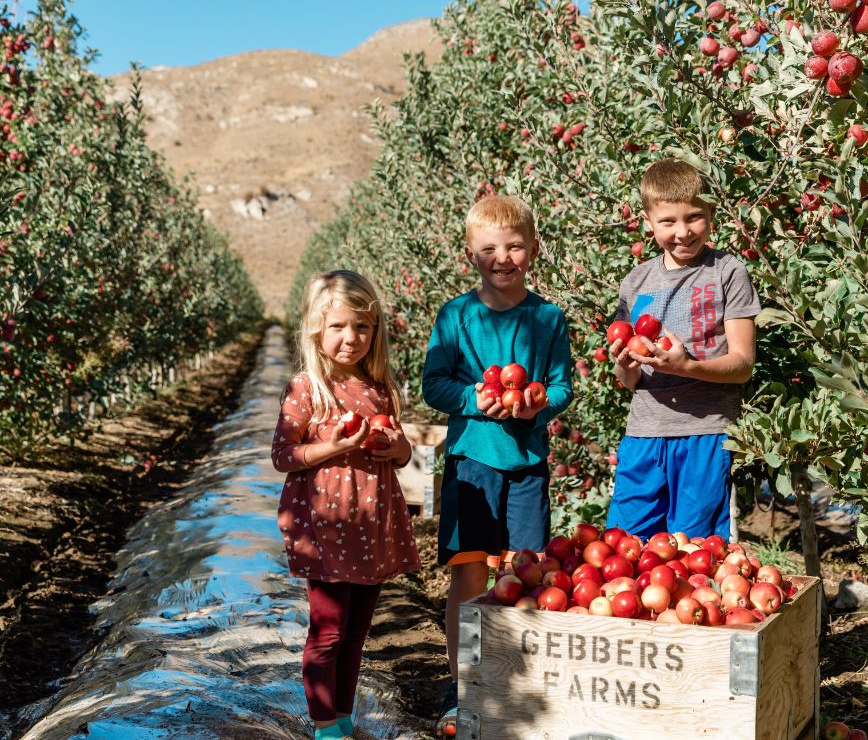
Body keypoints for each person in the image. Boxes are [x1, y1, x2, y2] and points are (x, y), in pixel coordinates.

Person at [421, 194, 573, 735]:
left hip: (527, 463)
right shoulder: (456, 315)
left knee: (524, 569)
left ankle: (516, 679)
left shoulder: (548, 317)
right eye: (489, 248)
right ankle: (464, 680)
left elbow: (562, 386)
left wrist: (538, 403)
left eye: (514, 246)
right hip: (470, 463)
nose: (502, 257)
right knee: (468, 573)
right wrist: (472, 401)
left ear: (533, 249)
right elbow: (433, 384)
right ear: (471, 254)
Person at [272, 269, 421, 740]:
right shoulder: (307, 389)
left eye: (361, 327)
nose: (350, 338)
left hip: (371, 524)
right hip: (326, 526)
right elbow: (283, 456)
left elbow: (402, 457)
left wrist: (396, 448)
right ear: (317, 329)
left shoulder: (378, 387)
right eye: (338, 327)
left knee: (357, 632)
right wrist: (332, 447)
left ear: (374, 331)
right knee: (329, 630)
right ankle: (324, 726)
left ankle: (342, 715)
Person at [607, 159, 761, 543]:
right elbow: (628, 381)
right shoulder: (636, 281)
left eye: (694, 217)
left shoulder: (727, 271)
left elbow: (742, 365)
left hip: (704, 432)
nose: (683, 232)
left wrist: (687, 365)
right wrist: (623, 364)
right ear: (648, 221)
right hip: (643, 434)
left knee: (693, 552)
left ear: (711, 212)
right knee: (624, 548)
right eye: (668, 222)